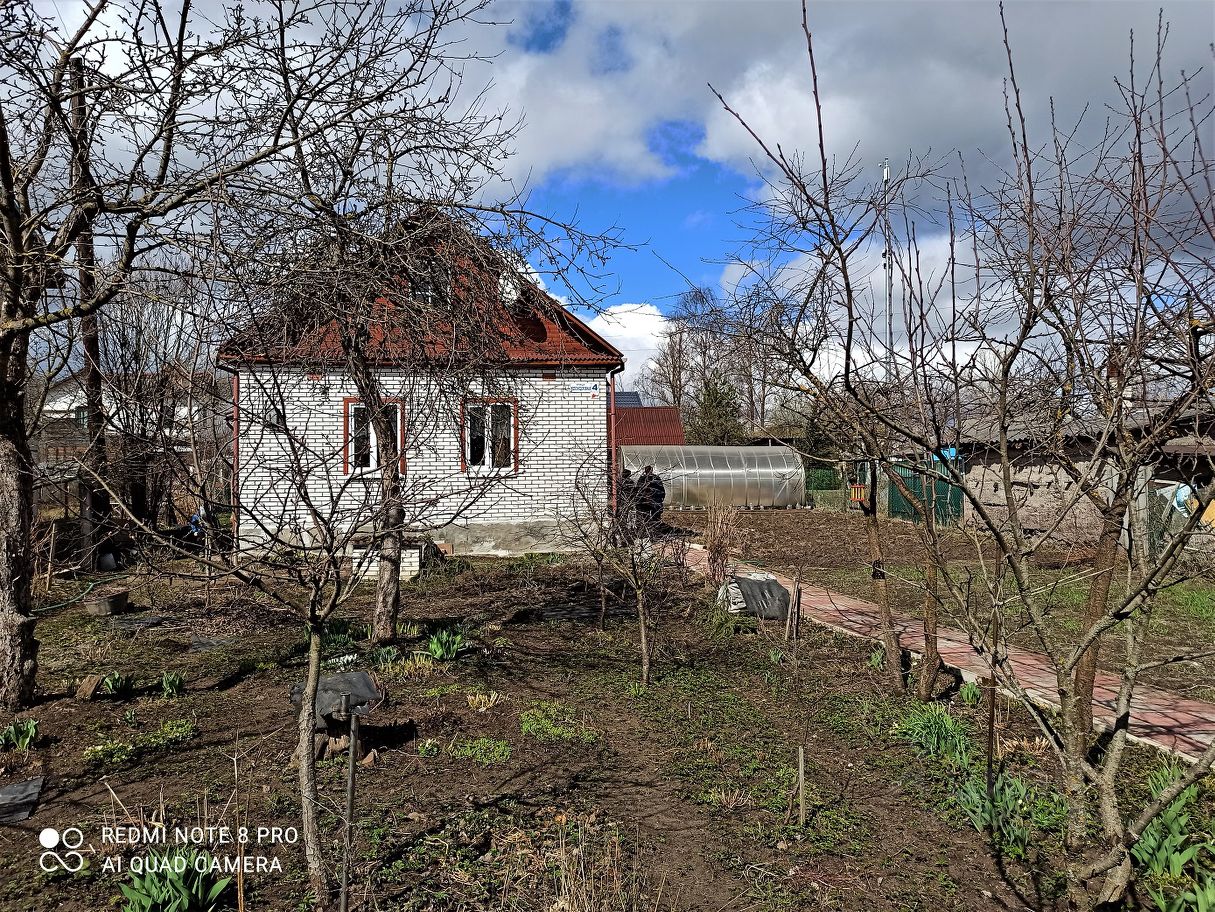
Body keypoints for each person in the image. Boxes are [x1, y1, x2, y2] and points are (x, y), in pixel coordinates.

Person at [637, 465, 666, 533]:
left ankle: (654, 530)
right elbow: (639, 490)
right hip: (647, 502)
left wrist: (661, 496)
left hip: (653, 501)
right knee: (647, 516)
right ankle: (648, 530)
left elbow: (660, 489)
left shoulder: (654, 478)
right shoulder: (644, 479)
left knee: (654, 516)